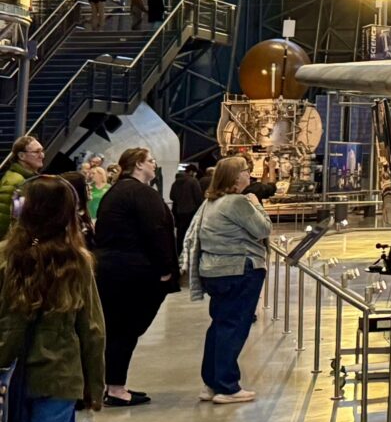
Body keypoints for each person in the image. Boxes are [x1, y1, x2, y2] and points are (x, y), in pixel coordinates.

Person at [0, 176, 106, 422]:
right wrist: (94, 389)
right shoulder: (78, 263)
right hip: (60, 376)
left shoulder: (5, 259)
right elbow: (92, 330)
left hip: (8, 377)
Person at [92, 148, 177, 407]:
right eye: (151, 161)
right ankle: (116, 388)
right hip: (134, 273)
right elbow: (156, 232)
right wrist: (165, 269)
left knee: (118, 330)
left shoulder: (116, 192)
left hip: (113, 269)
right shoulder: (140, 193)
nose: (154, 165)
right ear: (139, 165)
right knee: (126, 330)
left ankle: (114, 384)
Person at [183, 156, 271, 404]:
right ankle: (227, 385)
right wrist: (256, 204)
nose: (249, 175)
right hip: (239, 270)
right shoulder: (237, 203)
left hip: (215, 271)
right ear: (235, 177)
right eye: (245, 171)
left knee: (220, 325)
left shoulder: (212, 202)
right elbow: (264, 229)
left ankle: (211, 382)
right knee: (234, 327)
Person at [0, 136, 45, 237]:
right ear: (21, 156)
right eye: (37, 152)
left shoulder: (24, 178)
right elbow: (4, 220)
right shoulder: (18, 181)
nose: (42, 155)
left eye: (42, 151)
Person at [170, 163, 205, 260]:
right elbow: (198, 197)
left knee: (181, 233)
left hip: (179, 211)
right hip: (192, 211)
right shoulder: (193, 181)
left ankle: (180, 251)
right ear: (191, 172)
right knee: (191, 233)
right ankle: (190, 253)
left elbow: (171, 196)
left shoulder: (176, 182)